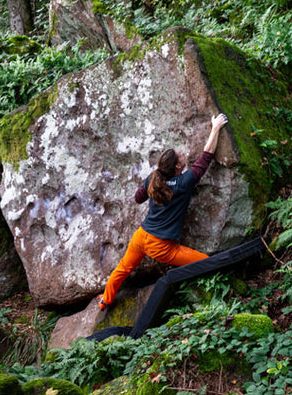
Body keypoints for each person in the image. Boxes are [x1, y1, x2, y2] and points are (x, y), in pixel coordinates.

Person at [98, 113, 230, 310]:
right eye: (180, 156)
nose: (183, 155)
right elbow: (207, 155)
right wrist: (216, 128)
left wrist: (151, 189)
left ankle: (105, 301)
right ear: (178, 166)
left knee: (123, 269)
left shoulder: (154, 178)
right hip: (161, 246)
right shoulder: (184, 183)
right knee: (206, 262)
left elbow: (137, 198)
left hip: (141, 237)